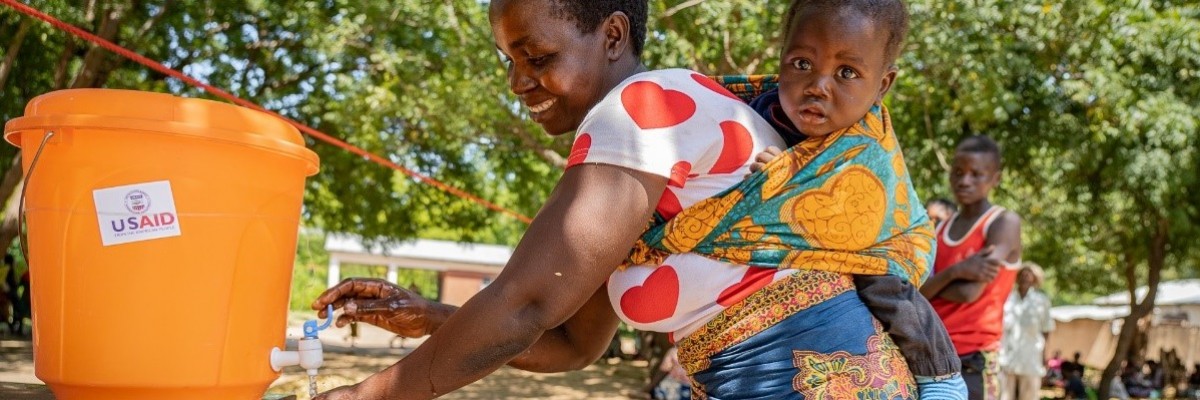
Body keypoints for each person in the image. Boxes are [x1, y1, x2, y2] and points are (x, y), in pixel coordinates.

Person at [311, 1, 928, 399]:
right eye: (509, 60)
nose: (517, 81)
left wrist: (369, 395)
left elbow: (526, 303)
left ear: (613, 35)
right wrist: (434, 320)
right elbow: (574, 343)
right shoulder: (650, 153)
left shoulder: (643, 110)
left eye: (538, 57)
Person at [921, 135, 1024, 400]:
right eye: (958, 172)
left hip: (974, 358)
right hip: (933, 352)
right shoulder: (940, 229)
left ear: (995, 178)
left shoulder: (1003, 223)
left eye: (976, 174)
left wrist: (936, 285)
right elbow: (918, 294)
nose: (964, 181)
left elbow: (970, 293)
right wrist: (957, 271)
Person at [999, 262, 1055, 400]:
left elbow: (1046, 330)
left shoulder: (1041, 301)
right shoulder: (1007, 299)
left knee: (1029, 396)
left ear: (1035, 279)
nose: (1025, 278)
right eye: (1022, 275)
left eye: (1028, 275)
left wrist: (1045, 357)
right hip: (1006, 357)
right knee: (1003, 395)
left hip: (1031, 358)